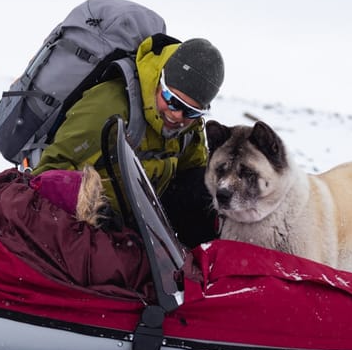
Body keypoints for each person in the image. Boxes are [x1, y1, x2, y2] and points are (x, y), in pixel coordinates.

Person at [32, 34, 225, 248]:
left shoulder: (190, 126)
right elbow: (49, 171)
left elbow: (194, 177)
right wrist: (94, 209)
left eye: (191, 111)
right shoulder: (109, 107)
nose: (178, 115)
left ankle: (201, 267)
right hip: (95, 221)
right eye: (171, 101)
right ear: (159, 80)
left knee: (204, 191)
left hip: (144, 220)